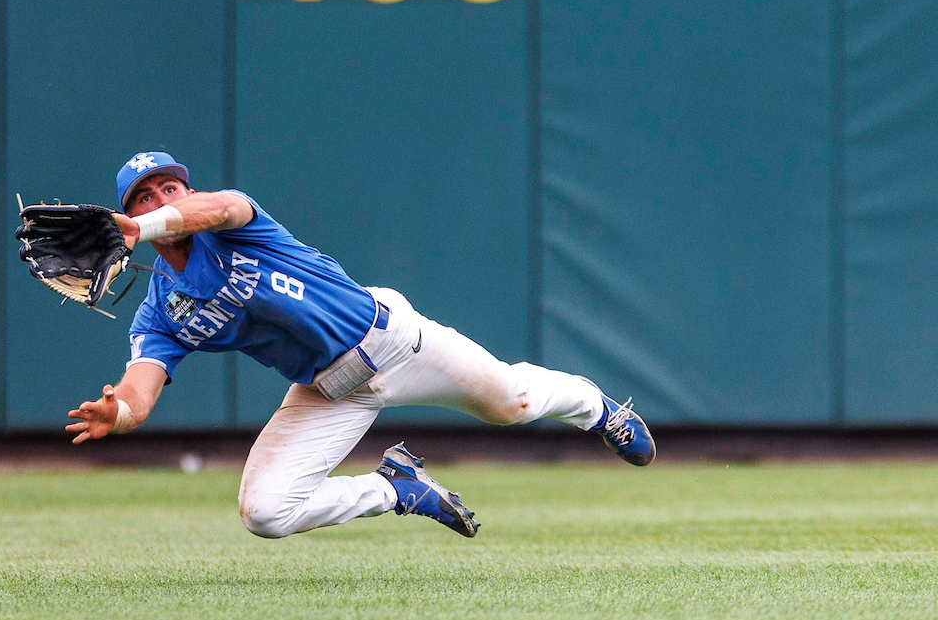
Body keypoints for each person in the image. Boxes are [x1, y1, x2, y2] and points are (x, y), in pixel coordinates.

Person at [66, 151, 655, 539]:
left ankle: (599, 409)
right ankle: (394, 488)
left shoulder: (234, 222)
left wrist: (148, 224)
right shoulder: (159, 310)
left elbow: (219, 204)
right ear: (124, 217)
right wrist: (116, 413)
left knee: (513, 404)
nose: (163, 196)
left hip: (390, 339)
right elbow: (140, 388)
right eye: (145, 196)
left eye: (171, 185)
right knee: (265, 514)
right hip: (328, 391)